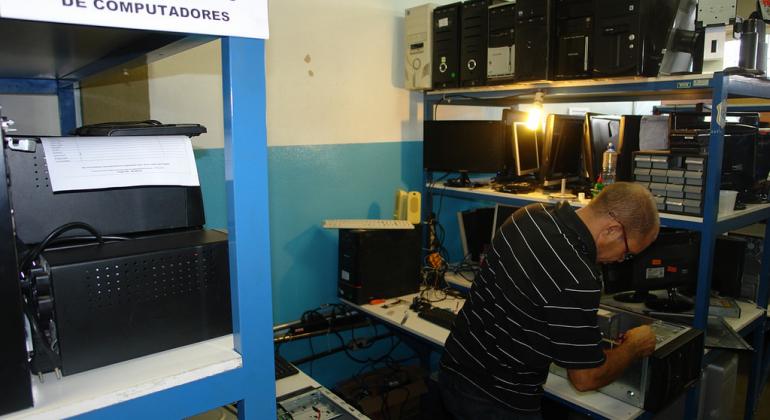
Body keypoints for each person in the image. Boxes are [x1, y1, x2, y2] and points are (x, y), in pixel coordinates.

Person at [439, 182, 660, 419]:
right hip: (498, 401)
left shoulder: (529, 215)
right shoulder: (578, 277)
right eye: (627, 253)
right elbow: (586, 378)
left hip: (454, 371)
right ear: (612, 230)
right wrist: (634, 347)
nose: (620, 260)